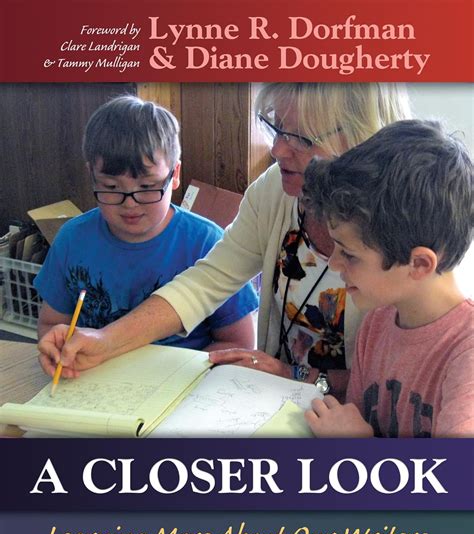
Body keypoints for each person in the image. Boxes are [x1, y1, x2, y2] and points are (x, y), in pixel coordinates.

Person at [38, 83, 411, 391]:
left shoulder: (406, 226)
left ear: (363, 138)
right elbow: (206, 282)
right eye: (277, 128)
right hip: (275, 396)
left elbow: (401, 382)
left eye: (301, 138)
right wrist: (104, 342)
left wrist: (293, 376)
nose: (277, 149)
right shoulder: (275, 190)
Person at [34, 95, 258, 351]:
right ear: (92, 176)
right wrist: (56, 350)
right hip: (96, 372)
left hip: (186, 375)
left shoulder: (207, 242)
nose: (130, 203)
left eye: (147, 186)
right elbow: (51, 325)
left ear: (175, 175)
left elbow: (239, 343)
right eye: (111, 187)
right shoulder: (72, 239)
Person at [302, 119, 473, 438]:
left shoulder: (467, 354)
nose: (334, 264)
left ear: (419, 264)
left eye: (349, 254)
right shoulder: (376, 324)